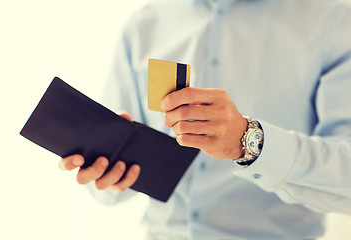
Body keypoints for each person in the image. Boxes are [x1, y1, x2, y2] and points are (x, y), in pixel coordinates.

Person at [59, 0, 351, 239]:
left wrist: (249, 142)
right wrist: (107, 173)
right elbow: (110, 183)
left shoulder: (335, 22)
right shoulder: (143, 26)